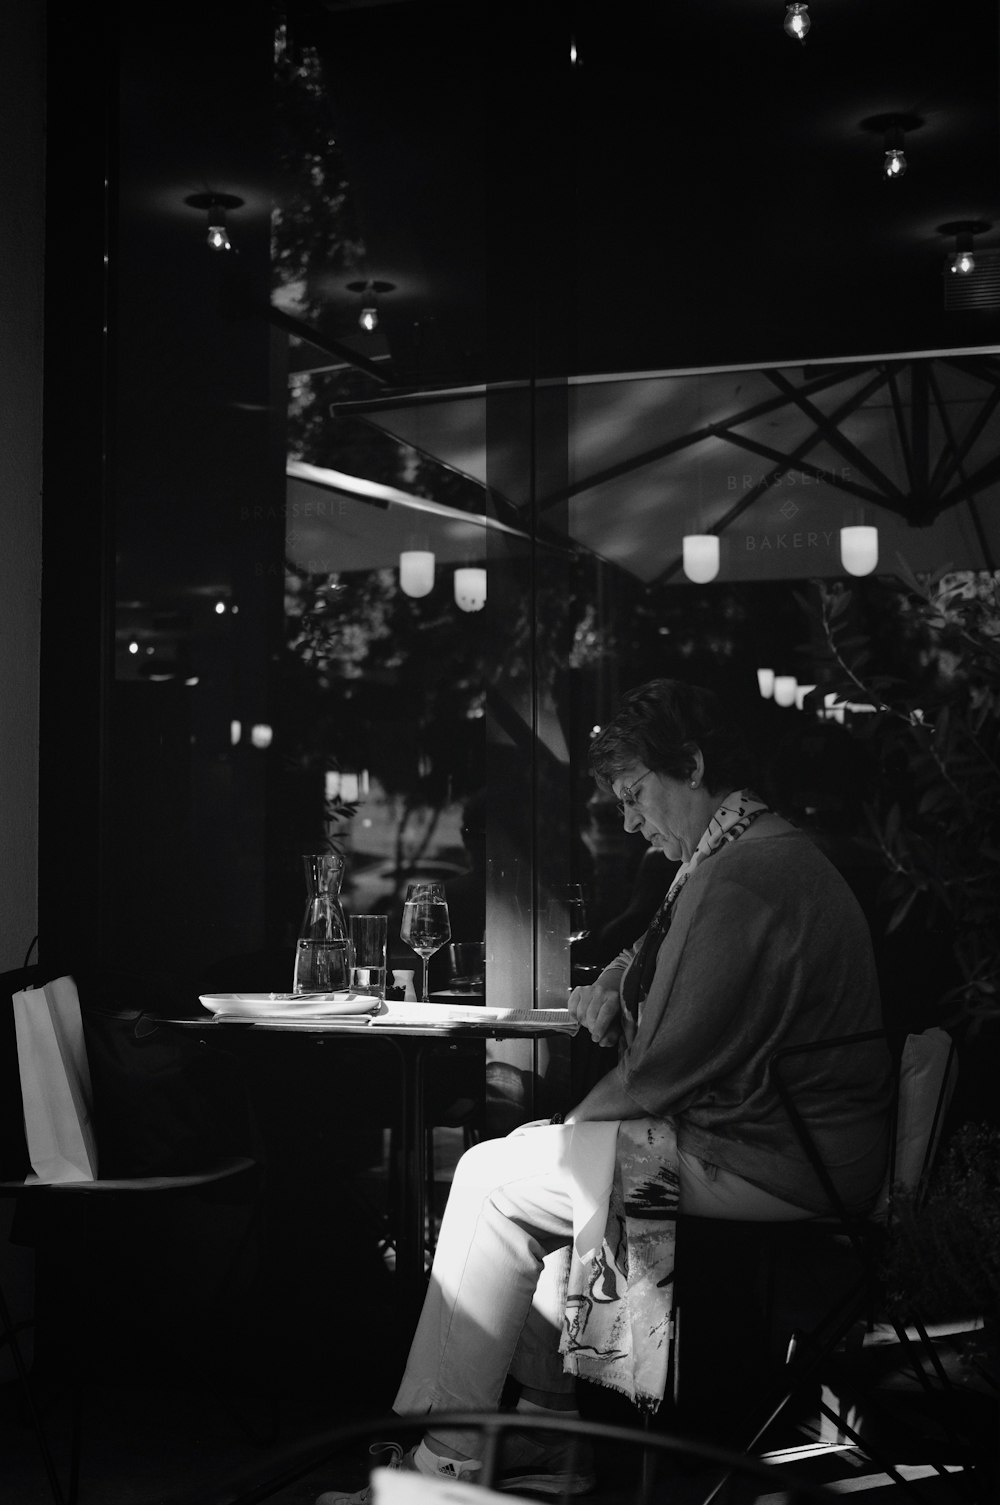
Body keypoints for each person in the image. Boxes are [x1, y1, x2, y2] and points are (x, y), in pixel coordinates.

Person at [318, 678, 892, 1504]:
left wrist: (577, 1126)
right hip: (787, 1148)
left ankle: (442, 1465)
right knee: (540, 1173)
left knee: (492, 1174)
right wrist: (586, 1101)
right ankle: (553, 1440)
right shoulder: (742, 856)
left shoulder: (743, 880)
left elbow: (664, 1061)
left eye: (635, 794)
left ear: (691, 765)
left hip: (778, 1163)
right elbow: (660, 972)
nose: (628, 821)